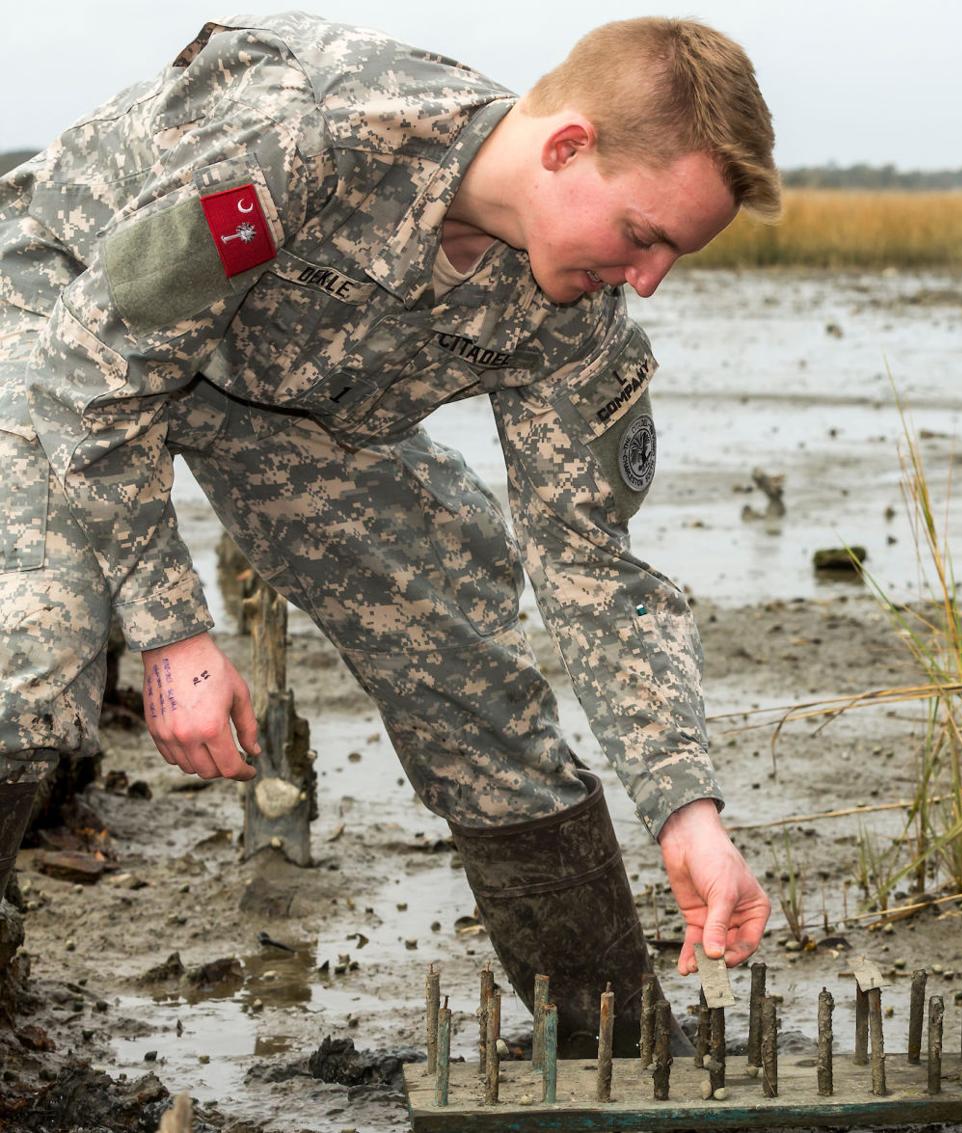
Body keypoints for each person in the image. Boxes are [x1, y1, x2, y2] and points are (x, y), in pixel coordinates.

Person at [0, 13, 776, 1054]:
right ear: (565, 148)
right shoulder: (315, 139)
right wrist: (173, 631)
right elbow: (98, 363)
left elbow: (593, 566)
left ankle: (611, 1045)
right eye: (643, 235)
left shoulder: (574, 315)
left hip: (270, 399)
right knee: (28, 650)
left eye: (673, 253)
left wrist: (688, 809)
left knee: (463, 656)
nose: (646, 279)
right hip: (65, 308)